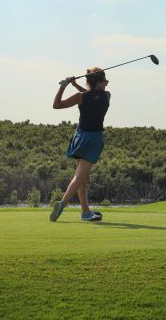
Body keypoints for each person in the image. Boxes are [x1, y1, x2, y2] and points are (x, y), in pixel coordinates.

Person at [50, 67, 110, 222]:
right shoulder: (106, 96)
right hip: (93, 139)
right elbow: (93, 95)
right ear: (99, 82)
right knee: (79, 176)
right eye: (105, 81)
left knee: (82, 176)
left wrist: (64, 86)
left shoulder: (80, 97)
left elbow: (57, 104)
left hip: (79, 137)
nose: (107, 84)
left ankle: (85, 212)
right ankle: (62, 203)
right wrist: (75, 85)